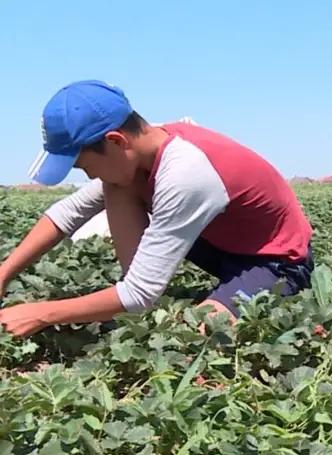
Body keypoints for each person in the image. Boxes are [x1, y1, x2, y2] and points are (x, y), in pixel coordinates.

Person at [0, 80, 315, 337]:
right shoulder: (143, 146)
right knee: (117, 186)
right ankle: (133, 291)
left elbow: (140, 294)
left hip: (276, 261)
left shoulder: (186, 173)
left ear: (116, 141)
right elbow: (68, 213)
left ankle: (294, 312)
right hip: (222, 245)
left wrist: (41, 314)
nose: (89, 176)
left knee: (198, 333)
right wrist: (3, 273)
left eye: (84, 166)